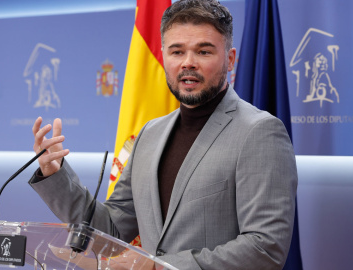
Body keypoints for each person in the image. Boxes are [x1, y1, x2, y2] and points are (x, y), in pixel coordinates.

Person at [29, 0, 298, 269]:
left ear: (229, 59)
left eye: (204, 52)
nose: (188, 63)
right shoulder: (150, 134)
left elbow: (265, 248)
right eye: (177, 52)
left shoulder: (260, 132)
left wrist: (157, 266)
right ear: (164, 56)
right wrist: (56, 176)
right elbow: (110, 230)